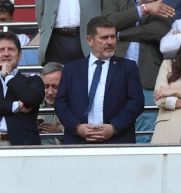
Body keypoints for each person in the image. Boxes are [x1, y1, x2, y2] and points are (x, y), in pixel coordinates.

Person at [57, 16, 145, 145]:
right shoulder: (71, 69)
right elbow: (61, 102)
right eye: (104, 38)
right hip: (78, 142)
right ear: (89, 40)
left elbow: (136, 102)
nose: (110, 42)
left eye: (113, 37)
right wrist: (77, 127)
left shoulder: (128, 67)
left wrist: (114, 127)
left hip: (117, 141)